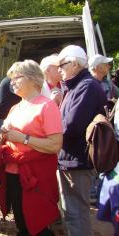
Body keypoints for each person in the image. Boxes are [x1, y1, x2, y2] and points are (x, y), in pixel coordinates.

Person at [0, 60, 63, 236]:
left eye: (16, 78)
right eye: (11, 79)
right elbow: (5, 140)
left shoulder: (47, 106)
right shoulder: (16, 107)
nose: (11, 82)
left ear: (32, 78)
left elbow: (55, 145)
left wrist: (24, 138)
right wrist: (3, 136)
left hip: (36, 176)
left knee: (37, 225)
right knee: (22, 222)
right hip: (14, 173)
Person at [56, 45, 106, 236]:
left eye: (62, 64)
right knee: (74, 213)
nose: (59, 68)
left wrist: (49, 132)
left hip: (77, 160)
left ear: (75, 64)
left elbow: (71, 126)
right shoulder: (77, 86)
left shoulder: (86, 86)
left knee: (75, 213)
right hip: (71, 158)